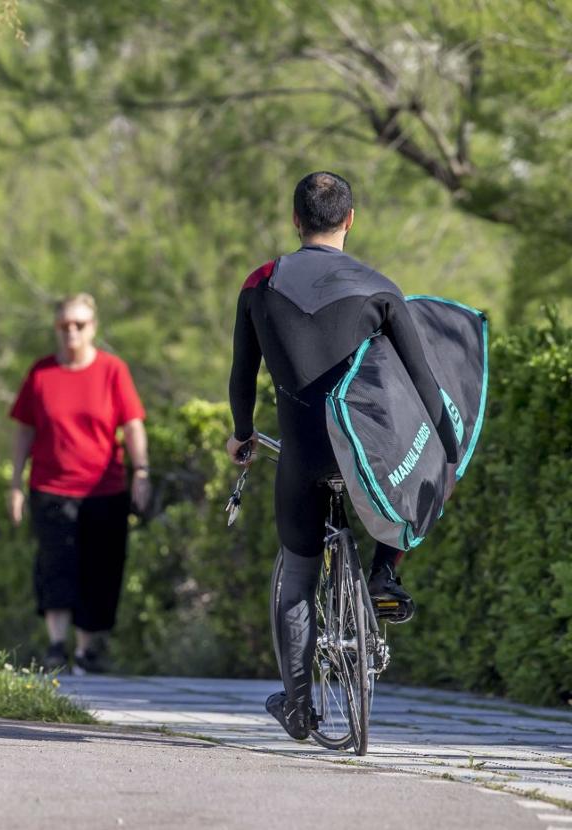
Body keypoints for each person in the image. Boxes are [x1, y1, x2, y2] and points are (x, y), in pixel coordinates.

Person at [227, 171, 459, 741]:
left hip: (302, 454)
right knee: (407, 473)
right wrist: (449, 452)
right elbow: (424, 384)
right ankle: (383, 575)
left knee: (299, 578)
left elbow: (242, 377)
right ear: (350, 219)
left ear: (295, 220)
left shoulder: (259, 284)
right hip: (365, 452)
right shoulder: (380, 288)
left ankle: (300, 709)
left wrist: (241, 434)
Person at [8, 293, 149, 675]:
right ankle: (57, 646)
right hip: (51, 487)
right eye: (65, 325)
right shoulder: (41, 373)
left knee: (100, 568)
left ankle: (87, 650)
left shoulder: (112, 370)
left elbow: (132, 424)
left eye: (80, 325)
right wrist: (15, 483)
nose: (72, 332)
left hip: (104, 490)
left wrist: (141, 472)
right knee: (55, 565)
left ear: (93, 328)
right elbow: (23, 430)